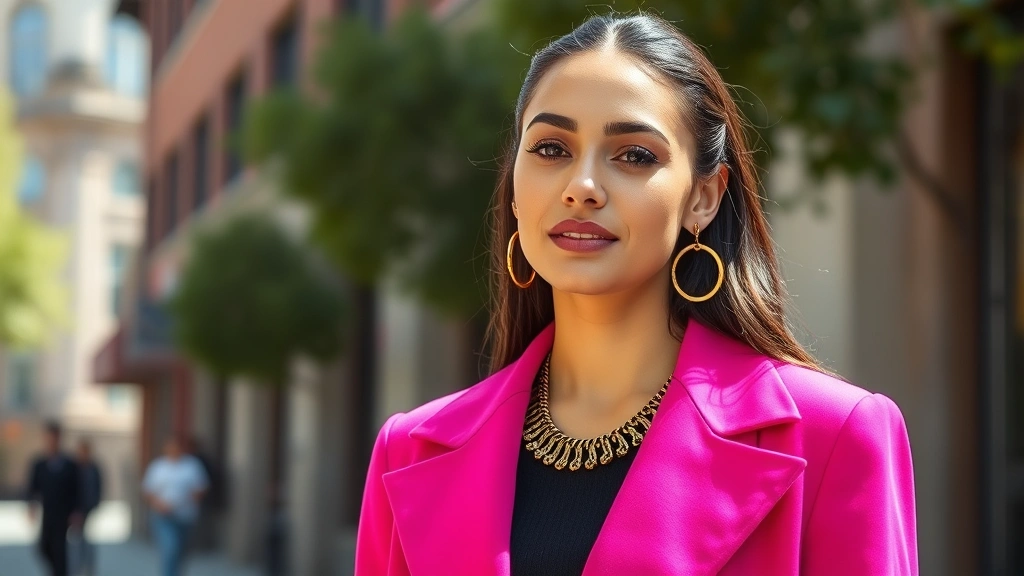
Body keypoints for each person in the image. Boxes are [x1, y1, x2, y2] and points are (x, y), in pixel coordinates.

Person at [354, 12, 918, 576]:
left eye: (634, 155)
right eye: (550, 149)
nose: (581, 187)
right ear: (515, 189)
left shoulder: (834, 437)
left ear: (703, 197)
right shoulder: (409, 452)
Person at [143, 435, 209, 576]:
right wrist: (160, 504)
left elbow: (201, 489)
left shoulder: (192, 466)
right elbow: (148, 491)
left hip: (185, 516)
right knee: (170, 548)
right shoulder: (158, 466)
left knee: (181, 551)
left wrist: (182, 501)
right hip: (163, 516)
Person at [25, 422, 81, 576]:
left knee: (60, 549)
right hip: (48, 512)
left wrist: (76, 511)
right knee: (44, 547)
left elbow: (77, 489)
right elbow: (32, 488)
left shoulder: (69, 465)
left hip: (64, 513)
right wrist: (31, 506)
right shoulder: (40, 464)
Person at [70, 439, 102, 576]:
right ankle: (78, 567)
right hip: (77, 509)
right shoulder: (74, 468)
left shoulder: (93, 468)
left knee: (86, 540)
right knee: (78, 540)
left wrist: (96, 503)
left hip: (89, 507)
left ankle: (87, 567)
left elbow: (98, 487)